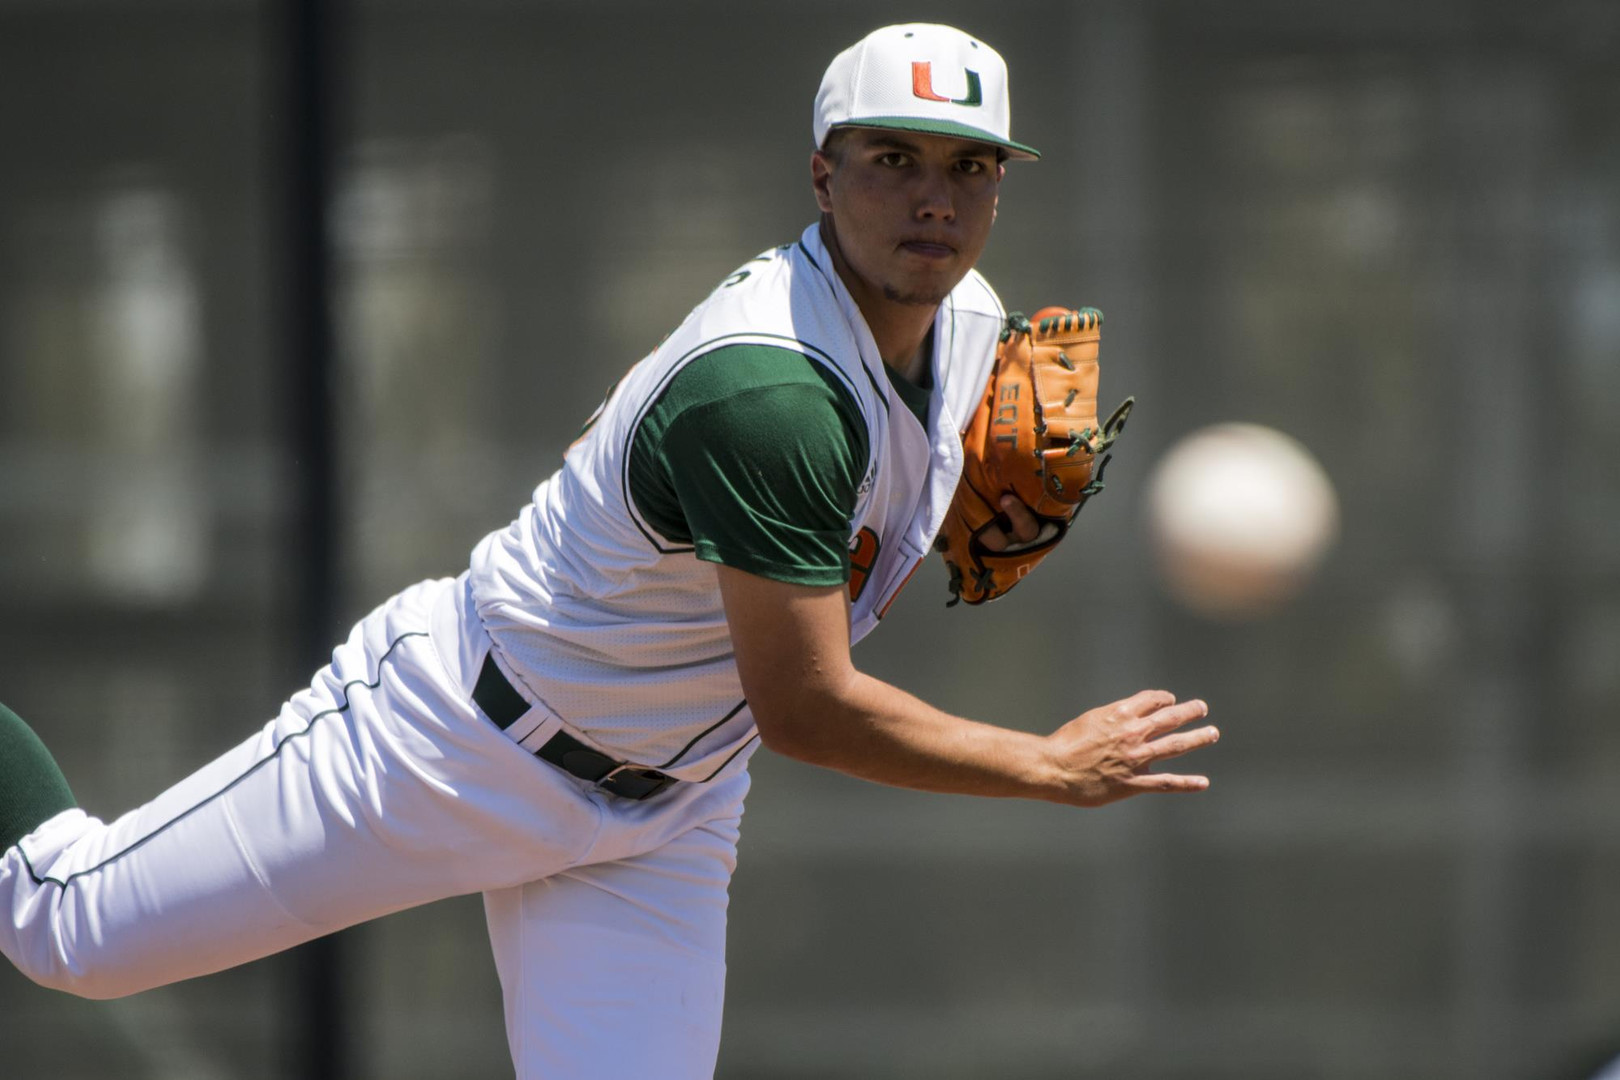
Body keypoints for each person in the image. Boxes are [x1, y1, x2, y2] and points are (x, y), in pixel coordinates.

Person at [0, 23, 1218, 1079]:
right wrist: (1046, 765)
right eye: (891, 159)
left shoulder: (969, 328)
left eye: (969, 166)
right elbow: (807, 708)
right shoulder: (769, 392)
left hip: (665, 811)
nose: (933, 198)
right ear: (822, 173)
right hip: (461, 737)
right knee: (70, 932)